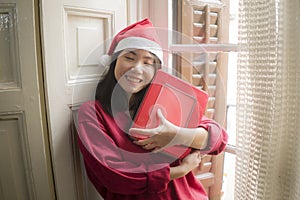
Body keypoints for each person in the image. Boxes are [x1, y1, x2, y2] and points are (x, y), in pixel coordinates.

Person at [76, 18, 228, 200]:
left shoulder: (167, 99)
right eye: (129, 57)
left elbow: (219, 139)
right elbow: (115, 176)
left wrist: (178, 134)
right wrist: (180, 170)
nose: (137, 69)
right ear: (114, 61)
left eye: (148, 62)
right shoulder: (92, 114)